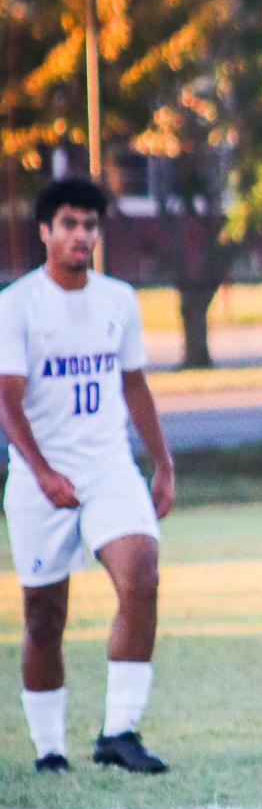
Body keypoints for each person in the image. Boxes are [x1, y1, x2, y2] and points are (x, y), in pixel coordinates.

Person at [0, 176, 175, 774]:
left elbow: (133, 384)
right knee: (45, 619)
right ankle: (50, 748)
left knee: (142, 579)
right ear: (46, 231)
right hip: (38, 479)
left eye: (91, 225)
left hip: (108, 469)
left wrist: (163, 462)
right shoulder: (17, 303)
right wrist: (43, 471)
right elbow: (6, 399)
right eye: (70, 224)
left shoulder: (119, 300)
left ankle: (119, 733)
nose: (82, 235)